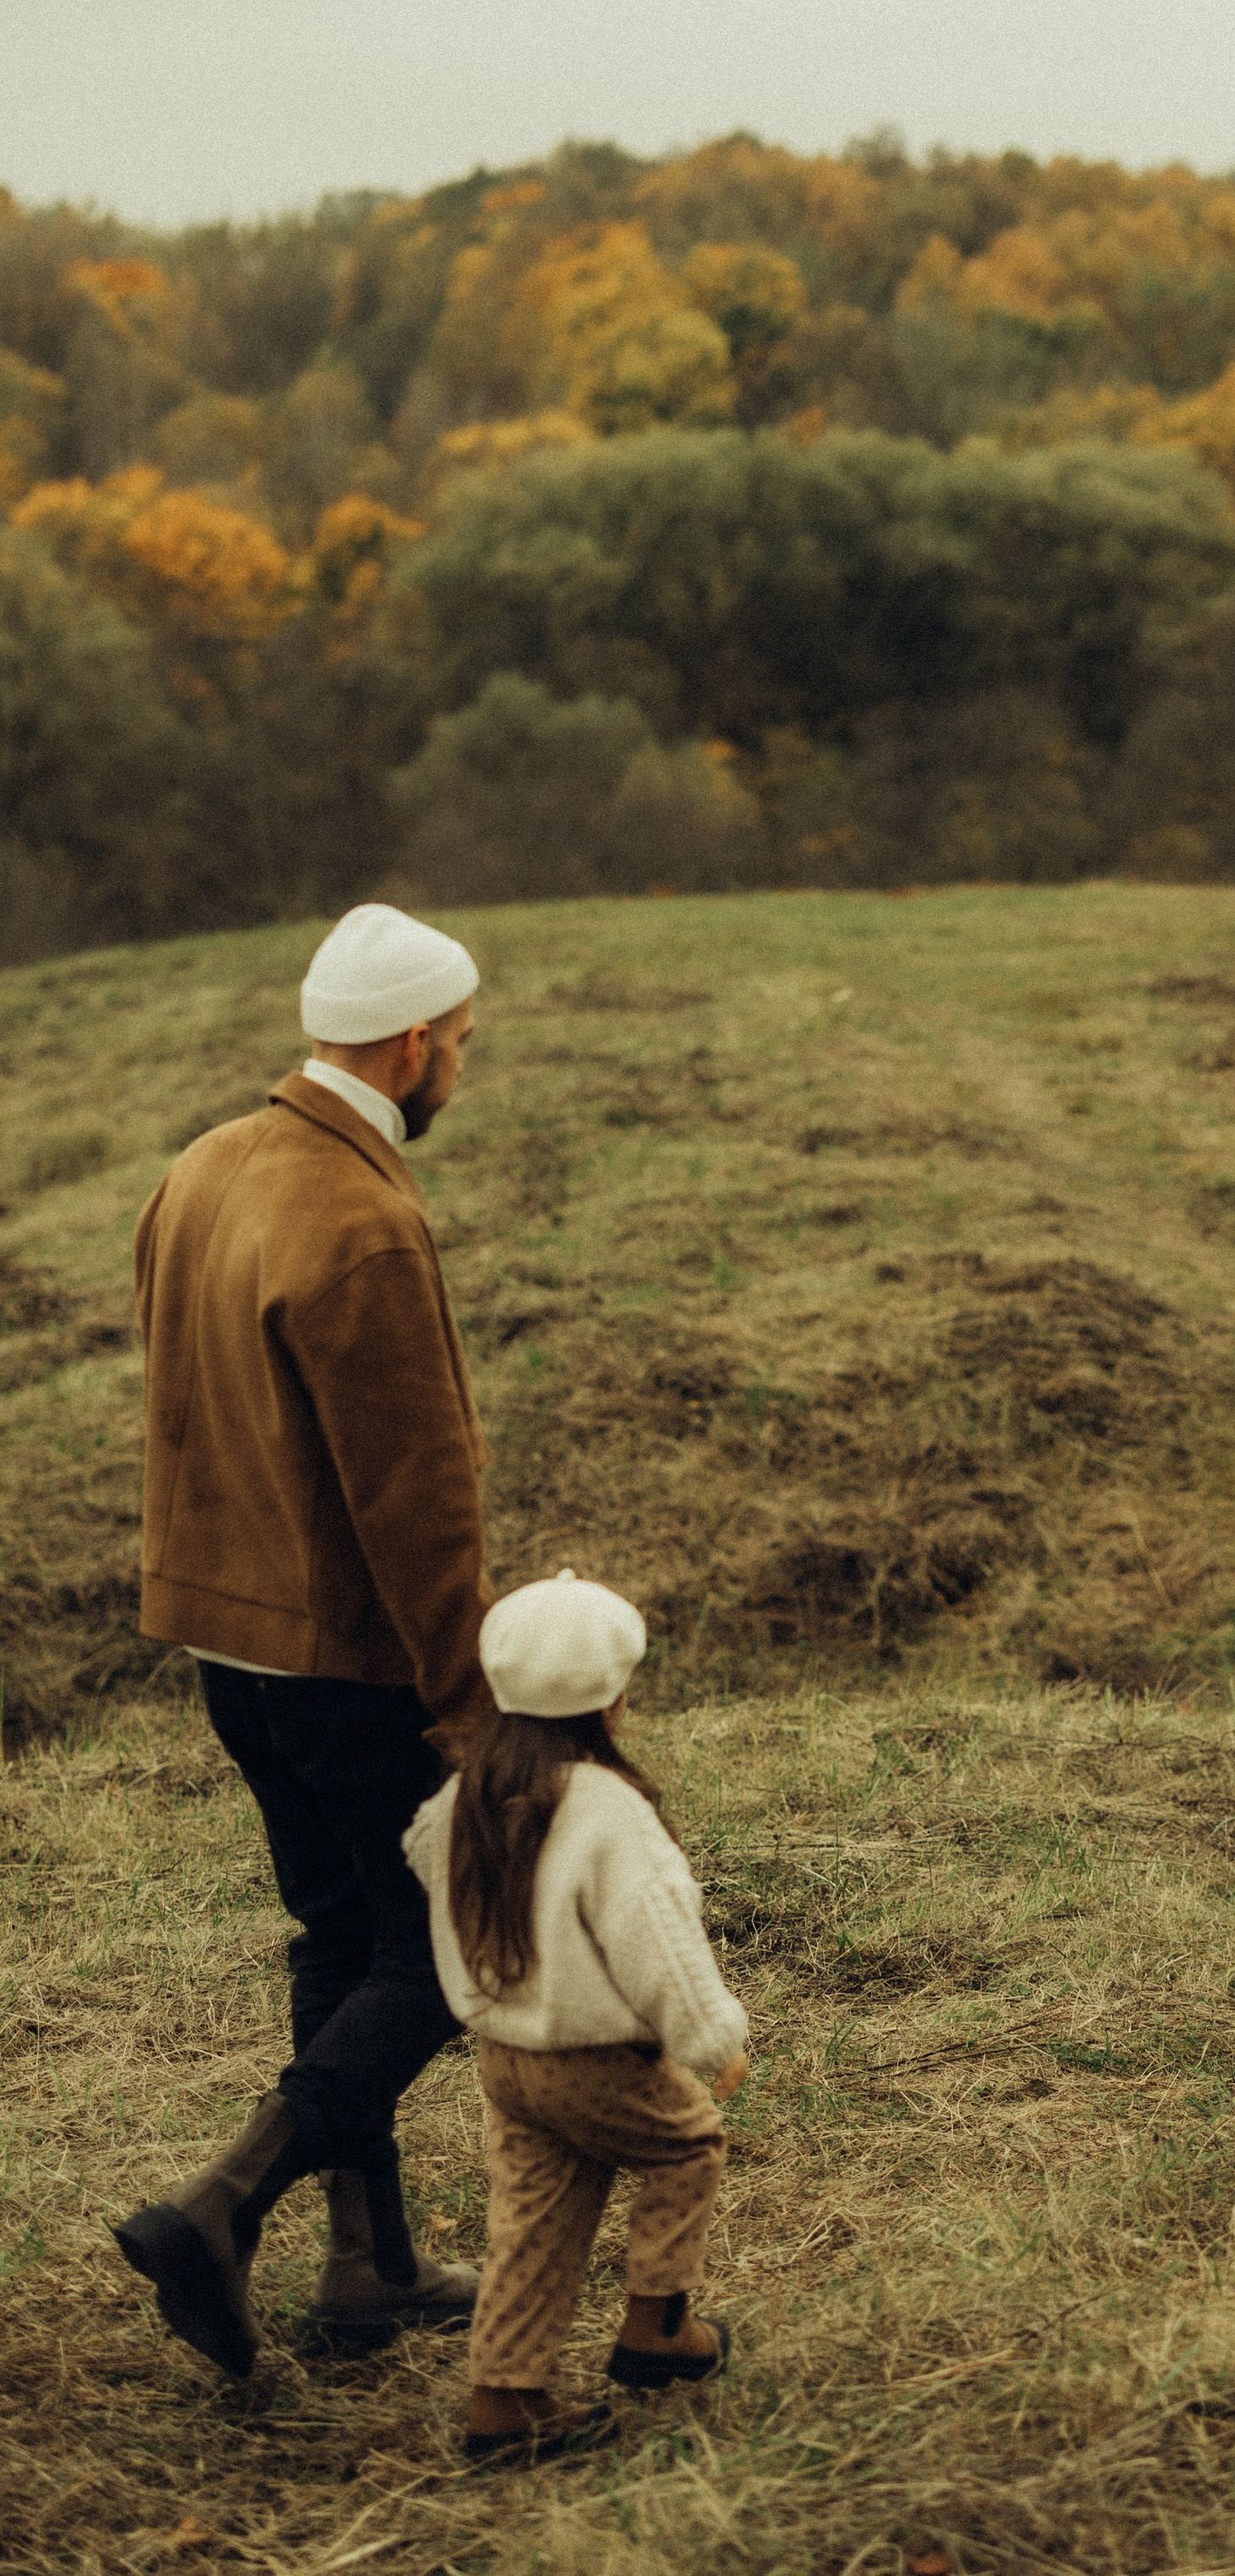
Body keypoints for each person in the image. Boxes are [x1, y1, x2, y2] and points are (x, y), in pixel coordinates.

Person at [114, 903, 494, 2378]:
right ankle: (226, 2204)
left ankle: (370, 2266)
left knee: (342, 1934)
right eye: (457, 1046)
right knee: (446, 1952)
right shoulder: (363, 1220)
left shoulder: (202, 1169)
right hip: (349, 1663)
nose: (459, 1067)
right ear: (409, 1044)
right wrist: (467, 1707)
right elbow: (421, 1498)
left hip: (229, 1650)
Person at [402, 1568, 751, 2467]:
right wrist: (711, 2037)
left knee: (532, 2217)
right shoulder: (607, 1811)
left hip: (505, 2057)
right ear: (614, 1697)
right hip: (594, 2057)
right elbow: (658, 1941)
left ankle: (503, 2401)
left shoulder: (464, 1799)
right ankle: (656, 2329)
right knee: (687, 2147)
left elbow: (419, 1856)